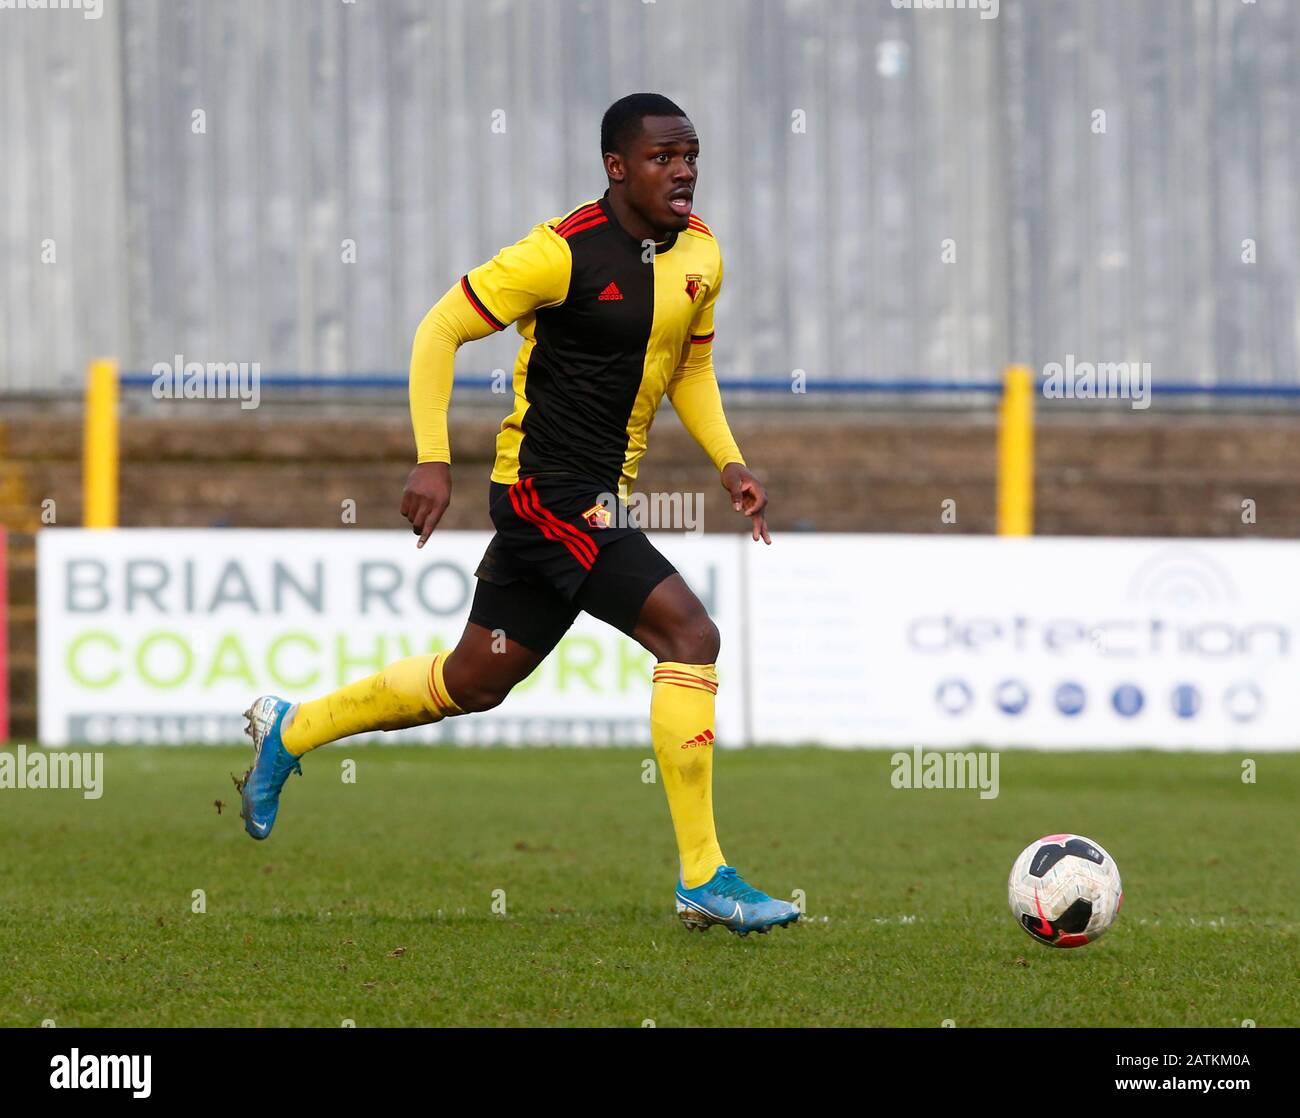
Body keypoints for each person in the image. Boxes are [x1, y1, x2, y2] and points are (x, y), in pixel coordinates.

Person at [238, 93, 798, 937]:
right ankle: (703, 876)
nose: (682, 171)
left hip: (594, 497)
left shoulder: (703, 255)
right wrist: (433, 455)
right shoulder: (559, 254)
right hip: (548, 493)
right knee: (692, 635)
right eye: (662, 157)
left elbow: (689, 366)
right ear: (617, 166)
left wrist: (729, 460)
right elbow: (439, 329)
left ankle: (292, 728)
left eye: (690, 155)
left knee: (474, 680)